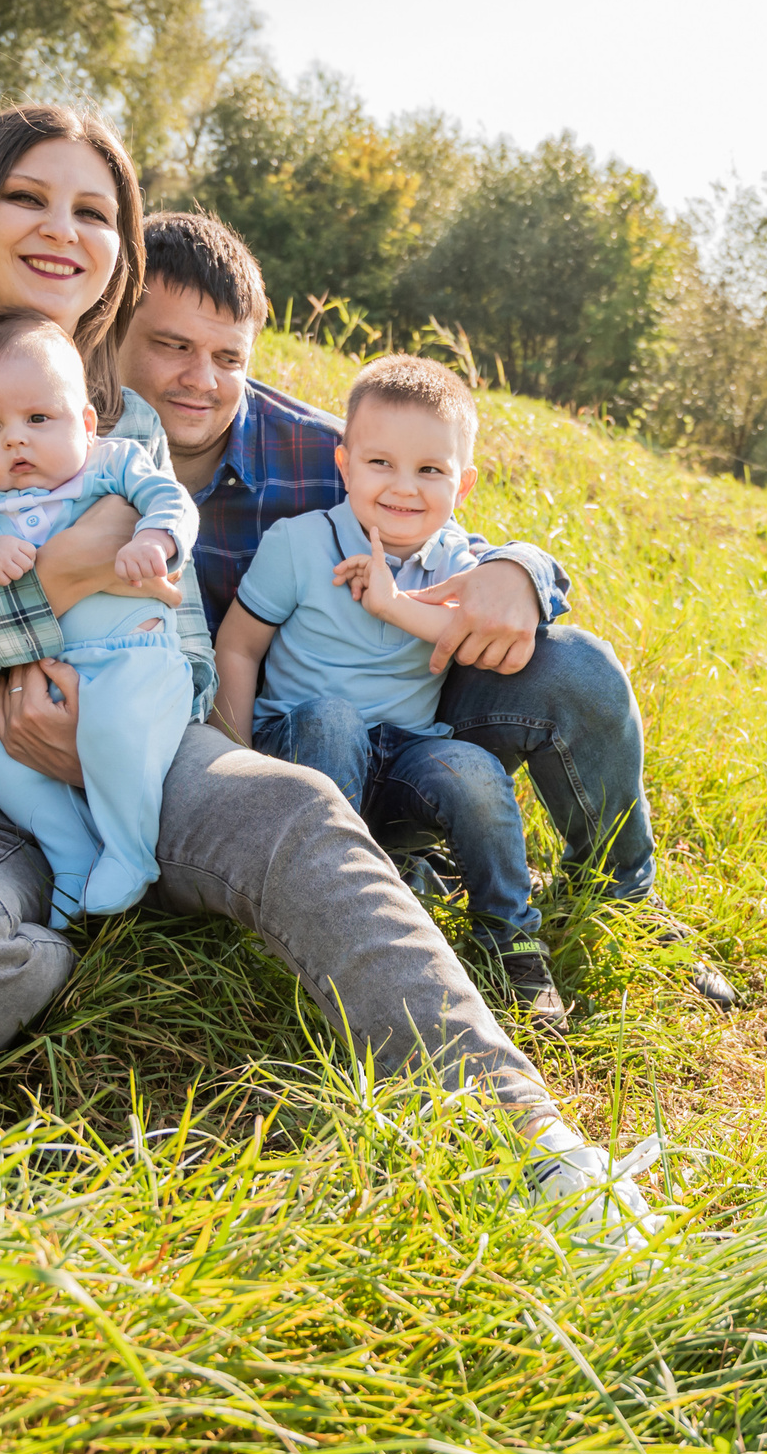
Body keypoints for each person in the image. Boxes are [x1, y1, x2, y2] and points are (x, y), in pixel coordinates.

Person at [0, 102, 661, 1249]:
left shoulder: (127, 419)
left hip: (135, 734)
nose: (62, 230)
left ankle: (538, 1151)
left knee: (293, 807)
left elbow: (192, 647)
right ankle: (76, 917)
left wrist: (517, 563)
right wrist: (47, 597)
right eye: (29, 197)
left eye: (95, 211)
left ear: (120, 251)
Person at [120, 212, 742, 1013]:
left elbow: (444, 530)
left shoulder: (323, 451)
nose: (201, 378)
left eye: (227, 356)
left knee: (576, 663)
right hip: (242, 750)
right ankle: (344, 899)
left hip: (405, 731)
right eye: (172, 345)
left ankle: (623, 897)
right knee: (328, 723)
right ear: (115, 329)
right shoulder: (61, 446)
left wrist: (521, 568)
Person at [213, 354, 565, 1031]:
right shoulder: (300, 544)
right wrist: (232, 766)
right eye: (381, 464)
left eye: (430, 470)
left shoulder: (465, 565)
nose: (404, 487)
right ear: (344, 466)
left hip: (402, 754)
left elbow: (470, 629)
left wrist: (391, 601)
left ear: (463, 484)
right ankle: (329, 912)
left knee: (471, 768)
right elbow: (238, 645)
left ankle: (509, 935)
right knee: (335, 719)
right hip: (302, 745)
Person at [0, 309, 197, 927]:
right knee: (3, 767)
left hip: (133, 661)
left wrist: (154, 542)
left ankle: (131, 855)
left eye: (38, 419)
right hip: (41, 678)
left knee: (113, 732)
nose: (14, 440)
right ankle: (73, 859)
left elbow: (172, 499)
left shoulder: (113, 463)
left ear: (84, 423)